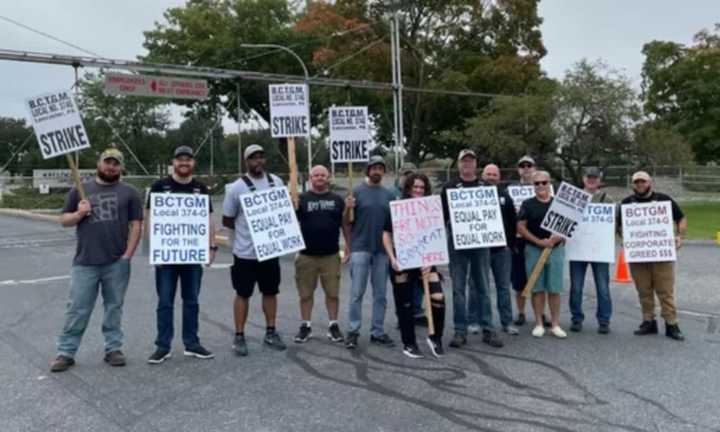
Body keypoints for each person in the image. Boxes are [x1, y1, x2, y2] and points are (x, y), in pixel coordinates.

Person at [50, 149, 143, 372]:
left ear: (121, 167)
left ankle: (113, 348)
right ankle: (66, 352)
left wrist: (127, 256)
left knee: (114, 307)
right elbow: (64, 220)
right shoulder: (79, 190)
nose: (111, 167)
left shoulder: (129, 192)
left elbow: (136, 225)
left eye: (115, 164)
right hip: (85, 262)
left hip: (116, 262)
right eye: (107, 162)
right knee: (78, 308)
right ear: (98, 163)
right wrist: (79, 214)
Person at [146, 146, 216, 364]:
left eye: (188, 159)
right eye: (180, 160)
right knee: (165, 301)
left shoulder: (200, 189)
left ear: (193, 163)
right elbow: (149, 217)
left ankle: (192, 343)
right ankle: (163, 346)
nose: (184, 163)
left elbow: (208, 220)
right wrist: (152, 249)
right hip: (166, 256)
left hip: (192, 256)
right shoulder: (159, 186)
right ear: (173, 162)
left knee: (191, 301)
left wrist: (211, 247)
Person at [222, 144, 287, 356]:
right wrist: (247, 232)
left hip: (270, 250)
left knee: (270, 292)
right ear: (246, 162)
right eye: (253, 158)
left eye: (260, 157)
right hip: (245, 253)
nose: (257, 161)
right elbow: (228, 219)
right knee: (242, 293)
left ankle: (271, 331)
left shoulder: (276, 182)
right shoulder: (236, 188)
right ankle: (239, 336)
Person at [441, 149, 503, 349]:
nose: (467, 164)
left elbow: (494, 216)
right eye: (463, 161)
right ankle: (460, 330)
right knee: (458, 289)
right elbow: (441, 217)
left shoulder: (486, 186)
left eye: (471, 161)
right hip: (457, 244)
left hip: (481, 243)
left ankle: (488, 329)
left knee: (483, 287)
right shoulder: (449, 187)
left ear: (476, 164)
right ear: (458, 164)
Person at [382, 173, 446, 358]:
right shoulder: (396, 208)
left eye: (421, 187)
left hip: (426, 261)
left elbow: (436, 236)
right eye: (415, 187)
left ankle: (436, 337)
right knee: (406, 303)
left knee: (438, 297)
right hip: (402, 261)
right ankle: (408, 343)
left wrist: (432, 259)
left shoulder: (431, 208)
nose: (418, 190)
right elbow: (385, 234)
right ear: (408, 188)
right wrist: (392, 258)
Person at [619, 171, 687, 341]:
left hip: (661, 254)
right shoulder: (626, 203)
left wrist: (680, 235)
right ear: (632, 184)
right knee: (643, 290)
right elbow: (618, 225)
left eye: (643, 181)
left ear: (650, 182)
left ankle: (671, 324)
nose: (640, 184)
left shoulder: (664, 200)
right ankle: (648, 321)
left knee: (665, 291)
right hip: (638, 254)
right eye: (636, 182)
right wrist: (624, 237)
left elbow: (681, 218)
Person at [344, 155, 396, 349]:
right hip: (360, 248)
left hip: (382, 251)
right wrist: (348, 246)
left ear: (384, 172)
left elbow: (394, 225)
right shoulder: (355, 191)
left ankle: (377, 331)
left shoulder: (389, 195)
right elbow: (346, 222)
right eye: (373, 168)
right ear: (368, 170)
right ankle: (353, 331)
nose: (377, 171)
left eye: (380, 168)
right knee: (357, 293)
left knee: (381, 294)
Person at [293, 165, 347, 344]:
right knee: (305, 294)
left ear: (329, 177)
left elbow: (345, 224)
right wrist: (291, 206)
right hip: (306, 255)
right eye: (316, 175)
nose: (319, 177)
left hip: (330, 255)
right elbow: (289, 223)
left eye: (323, 175)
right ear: (310, 177)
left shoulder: (338, 200)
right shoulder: (301, 199)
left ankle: (333, 325)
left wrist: (349, 245)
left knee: (332, 293)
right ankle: (305, 326)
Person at [467, 164, 519, 336]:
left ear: (499, 177)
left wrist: (509, 244)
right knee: (475, 286)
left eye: (494, 174)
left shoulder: (505, 196)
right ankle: (473, 321)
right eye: (488, 174)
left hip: (501, 251)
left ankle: (507, 322)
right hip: (480, 249)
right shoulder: (473, 196)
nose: (491, 177)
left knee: (503, 287)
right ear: (482, 175)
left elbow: (513, 223)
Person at [517, 170, 567, 338]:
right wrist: (539, 241)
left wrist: (557, 237)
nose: (540, 186)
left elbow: (568, 224)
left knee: (554, 288)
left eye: (543, 182)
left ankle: (555, 324)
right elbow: (521, 227)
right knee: (537, 288)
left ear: (549, 183)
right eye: (536, 183)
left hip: (556, 249)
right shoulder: (527, 204)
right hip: (534, 249)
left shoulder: (559, 204)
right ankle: (539, 323)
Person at [568, 167, 612, 334]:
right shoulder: (573, 197)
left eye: (595, 177)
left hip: (599, 250)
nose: (592, 180)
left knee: (602, 286)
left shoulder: (607, 199)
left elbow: (613, 223)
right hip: (578, 248)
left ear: (600, 180)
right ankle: (576, 318)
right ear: (583, 179)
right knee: (576, 286)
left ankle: (604, 320)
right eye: (589, 177)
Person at [511, 155, 537, 326]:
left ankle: (540, 315)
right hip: (518, 239)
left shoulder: (543, 187)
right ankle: (521, 313)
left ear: (534, 168)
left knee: (539, 279)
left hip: (537, 239)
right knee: (519, 279)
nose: (526, 168)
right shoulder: (511, 189)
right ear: (519, 169)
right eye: (523, 165)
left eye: (529, 165)